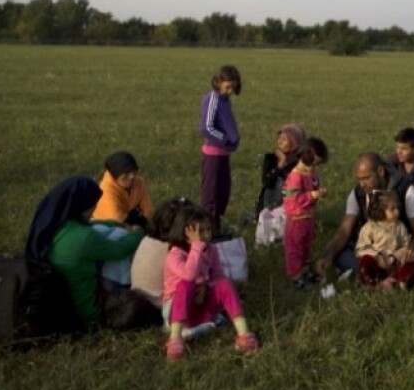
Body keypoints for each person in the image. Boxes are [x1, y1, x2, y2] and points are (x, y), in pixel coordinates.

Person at [24, 176, 145, 328]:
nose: (95, 209)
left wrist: (112, 223)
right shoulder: (84, 238)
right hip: (88, 313)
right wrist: (137, 233)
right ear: (81, 206)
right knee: (119, 244)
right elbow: (119, 250)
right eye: (93, 205)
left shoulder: (53, 226)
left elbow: (88, 224)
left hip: (61, 304)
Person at [314, 152, 414, 279]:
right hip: (372, 253)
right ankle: (394, 276)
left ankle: (379, 275)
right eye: (359, 179)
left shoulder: (406, 190)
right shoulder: (358, 193)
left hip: (398, 249)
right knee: (338, 252)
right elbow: (345, 230)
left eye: (366, 178)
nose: (362, 184)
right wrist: (329, 256)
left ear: (381, 172)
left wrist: (409, 252)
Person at [162, 204, 258, 360]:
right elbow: (189, 275)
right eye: (200, 231)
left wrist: (206, 287)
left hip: (200, 306)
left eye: (208, 229)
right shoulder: (175, 254)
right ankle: (175, 340)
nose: (206, 235)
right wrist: (196, 247)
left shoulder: (211, 250)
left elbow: (218, 276)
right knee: (186, 285)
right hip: (176, 313)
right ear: (185, 232)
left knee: (225, 284)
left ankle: (244, 335)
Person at [197, 65, 242, 234]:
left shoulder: (225, 101)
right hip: (213, 155)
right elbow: (205, 127)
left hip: (224, 155)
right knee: (210, 195)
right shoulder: (213, 98)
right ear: (218, 82)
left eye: (233, 87)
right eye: (227, 87)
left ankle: (216, 226)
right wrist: (225, 140)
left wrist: (233, 142)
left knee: (223, 192)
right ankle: (206, 229)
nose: (230, 91)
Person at [355, 189, 414, 289]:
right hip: (378, 264)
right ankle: (374, 284)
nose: (397, 211)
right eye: (392, 209)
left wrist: (396, 256)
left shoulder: (400, 226)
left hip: (395, 263)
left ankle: (401, 281)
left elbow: (406, 245)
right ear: (380, 211)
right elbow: (360, 249)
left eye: (397, 208)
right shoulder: (369, 227)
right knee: (365, 261)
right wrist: (377, 257)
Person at [284, 136, 329, 288]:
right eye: (317, 161)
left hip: (308, 217)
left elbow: (314, 185)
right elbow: (294, 198)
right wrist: (313, 195)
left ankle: (303, 269)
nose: (317, 166)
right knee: (295, 247)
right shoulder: (296, 176)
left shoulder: (311, 173)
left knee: (306, 245)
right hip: (297, 218)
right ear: (309, 154)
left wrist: (318, 191)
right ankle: (295, 275)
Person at [92, 151, 154, 228]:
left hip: (131, 224)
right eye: (126, 172)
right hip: (107, 228)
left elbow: (148, 210)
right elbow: (116, 219)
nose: (132, 176)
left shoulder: (139, 182)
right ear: (115, 174)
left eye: (134, 171)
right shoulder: (105, 190)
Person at [256, 123, 307, 216]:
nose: (280, 142)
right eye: (279, 138)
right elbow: (267, 182)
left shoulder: (300, 163)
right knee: (280, 181)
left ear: (295, 144)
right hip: (270, 205)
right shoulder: (271, 159)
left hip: (292, 206)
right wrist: (281, 164)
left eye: (284, 139)